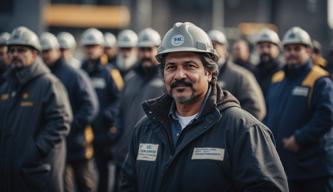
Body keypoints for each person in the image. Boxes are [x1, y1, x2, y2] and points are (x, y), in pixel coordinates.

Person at [120, 22, 288, 192]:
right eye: (171, 67)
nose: (179, 75)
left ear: (209, 73)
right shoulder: (145, 129)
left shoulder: (243, 130)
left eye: (189, 66)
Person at [0, 26, 72, 192]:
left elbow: (62, 122)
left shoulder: (48, 84)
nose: (14, 54)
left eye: (21, 50)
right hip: (10, 174)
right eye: (11, 50)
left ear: (34, 54)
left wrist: (35, 150)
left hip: (38, 172)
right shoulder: (6, 86)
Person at [264, 26, 333, 192]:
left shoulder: (319, 80)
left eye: (297, 48)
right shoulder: (277, 79)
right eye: (288, 49)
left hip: (313, 169)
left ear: (308, 51)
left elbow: (326, 116)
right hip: (283, 167)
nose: (292, 53)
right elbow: (269, 113)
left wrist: (299, 138)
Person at [40, 32, 99, 192]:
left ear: (57, 51)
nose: (45, 55)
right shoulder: (42, 76)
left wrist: (70, 126)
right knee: (63, 185)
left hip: (77, 142)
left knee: (85, 184)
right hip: (57, 144)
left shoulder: (75, 75)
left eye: (48, 50)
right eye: (42, 51)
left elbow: (90, 107)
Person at [113, 28, 164, 191]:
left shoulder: (166, 79)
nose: (146, 54)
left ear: (158, 50)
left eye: (150, 49)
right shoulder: (129, 79)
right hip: (126, 151)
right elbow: (120, 112)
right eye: (142, 49)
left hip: (155, 153)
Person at [80, 28, 124, 192]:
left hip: (102, 132)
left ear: (101, 48)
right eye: (88, 46)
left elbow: (120, 98)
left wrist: (107, 115)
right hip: (82, 131)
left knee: (103, 172)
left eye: (94, 46)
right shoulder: (80, 70)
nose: (91, 49)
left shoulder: (110, 72)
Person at [208, 29, 266, 120]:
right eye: (208, 46)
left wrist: (234, 129)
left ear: (225, 49)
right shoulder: (202, 75)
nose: (211, 49)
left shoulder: (241, 75)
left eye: (214, 45)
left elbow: (256, 109)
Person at [254, 28, 283, 97]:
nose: (265, 50)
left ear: (277, 49)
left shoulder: (284, 72)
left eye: (269, 46)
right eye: (261, 47)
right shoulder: (253, 72)